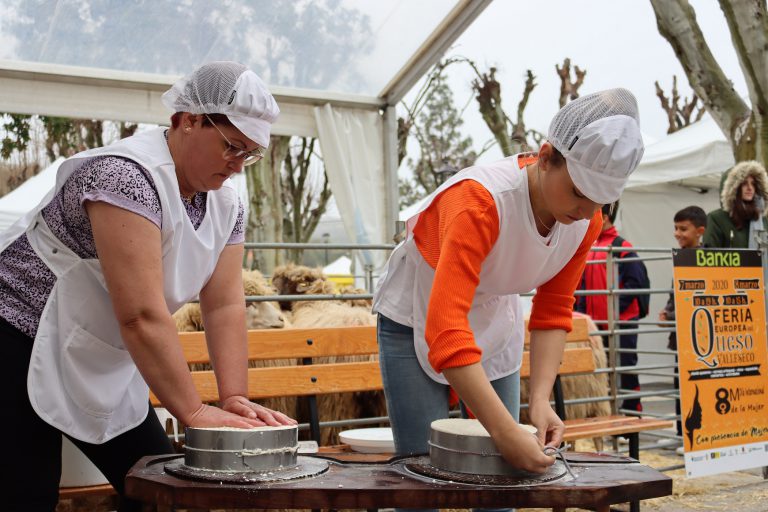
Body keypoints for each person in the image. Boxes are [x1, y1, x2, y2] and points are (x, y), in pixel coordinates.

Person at [0, 61, 296, 512]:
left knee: (161, 491)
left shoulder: (227, 203)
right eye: (232, 146)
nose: (238, 166)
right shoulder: (124, 176)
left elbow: (224, 305)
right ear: (187, 120)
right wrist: (193, 412)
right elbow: (140, 314)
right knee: (25, 494)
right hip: (18, 339)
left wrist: (234, 397)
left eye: (250, 154)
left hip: (103, 351)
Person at [372, 88, 645, 486]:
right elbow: (445, 329)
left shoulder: (586, 222)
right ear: (546, 157)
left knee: (504, 478)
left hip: (495, 314)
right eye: (579, 192)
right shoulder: (478, 202)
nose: (587, 211)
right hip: (418, 315)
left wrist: (540, 401)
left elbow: (553, 310)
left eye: (601, 201)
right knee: (421, 475)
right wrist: (503, 431)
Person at [575, 201, 647, 413]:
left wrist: (614, 309)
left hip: (620, 323)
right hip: (596, 325)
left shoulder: (622, 248)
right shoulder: (590, 247)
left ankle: (632, 412)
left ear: (604, 217)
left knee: (625, 368)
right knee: (600, 371)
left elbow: (636, 283)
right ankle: (608, 412)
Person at [659, 205, 707, 448]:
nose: (677, 233)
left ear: (700, 231)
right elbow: (676, 294)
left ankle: (693, 436)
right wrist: (668, 311)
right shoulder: (681, 257)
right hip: (682, 335)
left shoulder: (704, 260)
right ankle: (681, 433)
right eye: (676, 228)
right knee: (681, 384)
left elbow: (698, 297)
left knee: (696, 387)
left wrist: (671, 313)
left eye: (683, 229)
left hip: (699, 337)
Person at [704, 160, 768, 248]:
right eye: (744, 183)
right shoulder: (717, 219)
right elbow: (709, 253)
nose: (750, 188)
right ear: (732, 188)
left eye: (753, 184)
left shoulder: (762, 219)